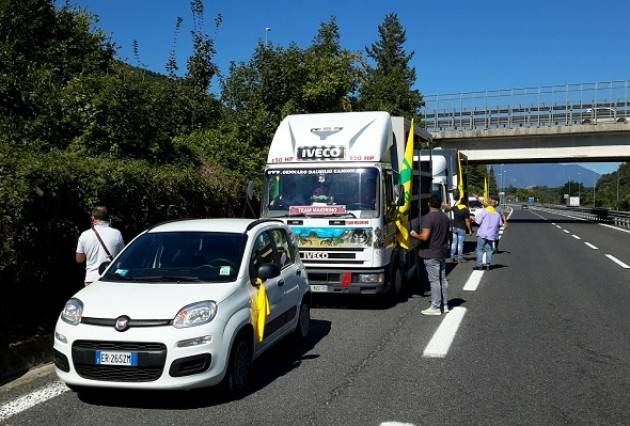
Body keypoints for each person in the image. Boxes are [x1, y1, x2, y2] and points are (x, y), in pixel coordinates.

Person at [410, 193, 451, 315]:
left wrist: (414, 234)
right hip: (442, 252)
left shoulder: (428, 218)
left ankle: (436, 307)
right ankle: (445, 305)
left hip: (431, 253)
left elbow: (424, 237)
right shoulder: (445, 217)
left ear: (428, 204)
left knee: (434, 281)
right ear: (440, 205)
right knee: (442, 279)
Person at [76, 206, 125, 286]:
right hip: (111, 278)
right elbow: (122, 257)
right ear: (108, 218)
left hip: (91, 279)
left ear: (92, 217)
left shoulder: (84, 235)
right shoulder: (117, 233)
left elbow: (79, 260)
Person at [473, 198, 504, 270]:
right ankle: (488, 265)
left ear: (487, 203)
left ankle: (479, 265)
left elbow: (477, 221)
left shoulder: (484, 211)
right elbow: (500, 224)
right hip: (491, 235)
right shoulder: (497, 214)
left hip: (482, 234)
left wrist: (473, 218)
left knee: (480, 250)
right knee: (489, 250)